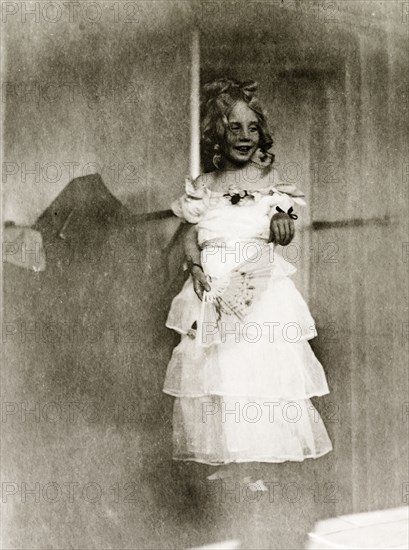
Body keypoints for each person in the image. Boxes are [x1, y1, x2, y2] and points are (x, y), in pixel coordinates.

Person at [163, 78, 332, 470]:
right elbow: (190, 237)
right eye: (234, 127)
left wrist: (281, 223)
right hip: (214, 291)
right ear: (218, 133)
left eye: (252, 127)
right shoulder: (203, 186)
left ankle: (259, 469)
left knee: (258, 375)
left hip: (260, 296)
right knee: (218, 376)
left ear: (262, 133)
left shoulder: (269, 184)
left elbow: (284, 220)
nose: (245, 136)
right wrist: (196, 267)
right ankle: (228, 466)